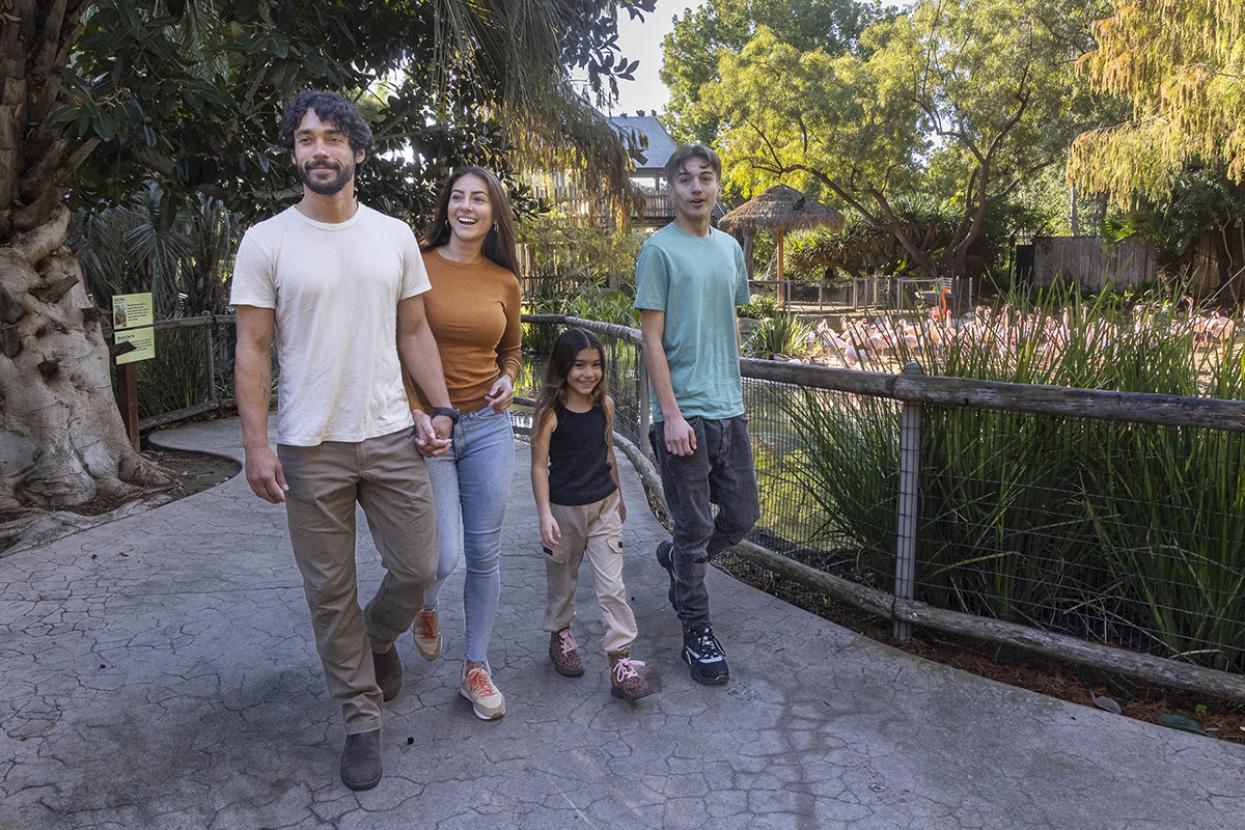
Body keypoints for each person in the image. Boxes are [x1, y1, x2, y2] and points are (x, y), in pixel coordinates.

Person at [231, 90, 453, 791]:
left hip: (389, 432)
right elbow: (252, 349)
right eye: (305, 138)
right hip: (307, 443)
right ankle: (361, 717)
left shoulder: (391, 235)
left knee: (422, 566)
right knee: (329, 592)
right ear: (294, 152)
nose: (318, 149)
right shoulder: (265, 240)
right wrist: (255, 443)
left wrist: (440, 408)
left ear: (358, 152)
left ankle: (375, 637)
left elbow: (413, 331)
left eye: (332, 138)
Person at [633, 143, 761, 686]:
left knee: (741, 517)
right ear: (671, 189)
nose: (695, 187)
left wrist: (737, 392)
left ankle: (679, 563)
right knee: (693, 531)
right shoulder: (658, 251)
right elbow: (651, 340)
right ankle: (697, 633)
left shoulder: (731, 250)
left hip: (727, 409)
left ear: (716, 185)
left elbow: (728, 321)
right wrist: (672, 415)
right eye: (684, 179)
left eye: (705, 178)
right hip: (683, 415)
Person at [404, 166, 521, 720]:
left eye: (479, 199)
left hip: (488, 428)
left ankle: (475, 666)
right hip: (429, 429)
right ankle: (425, 605)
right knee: (442, 554)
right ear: (446, 208)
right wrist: (413, 411)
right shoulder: (417, 266)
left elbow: (512, 351)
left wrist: (510, 380)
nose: (467, 206)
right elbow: (397, 345)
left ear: (494, 213)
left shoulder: (504, 280)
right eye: (458, 197)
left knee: (484, 553)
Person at [529, 328, 653, 701]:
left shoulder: (605, 406)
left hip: (603, 507)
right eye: (579, 365)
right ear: (563, 367)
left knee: (612, 585)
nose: (589, 373)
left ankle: (620, 658)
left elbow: (608, 453)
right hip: (564, 510)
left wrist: (619, 495)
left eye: (596, 365)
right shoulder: (550, 413)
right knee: (563, 581)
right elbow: (537, 467)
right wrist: (543, 515)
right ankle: (560, 635)